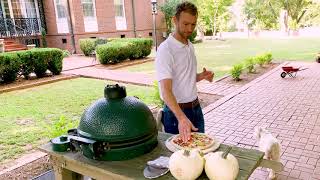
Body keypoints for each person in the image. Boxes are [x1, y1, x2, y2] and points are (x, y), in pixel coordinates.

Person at [155, 1, 214, 142]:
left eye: (193, 24)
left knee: (199, 152)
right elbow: (166, 91)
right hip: (177, 114)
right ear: (174, 20)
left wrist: (201, 76)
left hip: (196, 109)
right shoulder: (166, 50)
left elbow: (184, 77)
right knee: (179, 159)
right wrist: (181, 118)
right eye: (185, 24)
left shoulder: (189, 46)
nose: (189, 29)